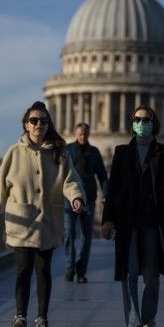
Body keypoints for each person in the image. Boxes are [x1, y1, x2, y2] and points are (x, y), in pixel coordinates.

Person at [0, 101, 85, 327]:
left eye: (43, 121)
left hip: (47, 221)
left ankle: (42, 319)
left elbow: (70, 180)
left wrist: (76, 197)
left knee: (43, 270)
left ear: (49, 125)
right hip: (21, 221)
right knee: (23, 269)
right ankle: (20, 315)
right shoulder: (14, 152)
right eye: (34, 121)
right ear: (26, 125)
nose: (39, 124)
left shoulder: (59, 152)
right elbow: (1, 186)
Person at [101, 106, 164, 327]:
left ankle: (148, 316)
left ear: (154, 123)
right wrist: (107, 219)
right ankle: (132, 322)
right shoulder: (121, 152)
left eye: (146, 119)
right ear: (132, 123)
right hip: (127, 223)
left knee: (151, 275)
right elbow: (113, 189)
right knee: (128, 272)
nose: (141, 123)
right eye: (137, 119)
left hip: (152, 222)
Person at [63, 122, 109, 284]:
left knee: (86, 237)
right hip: (70, 199)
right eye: (80, 134)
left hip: (88, 199)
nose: (83, 137)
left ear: (88, 134)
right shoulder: (68, 150)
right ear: (76, 134)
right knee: (69, 234)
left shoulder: (94, 152)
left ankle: (81, 270)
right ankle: (70, 267)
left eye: (85, 134)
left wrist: (105, 195)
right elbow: (60, 174)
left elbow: (103, 176)